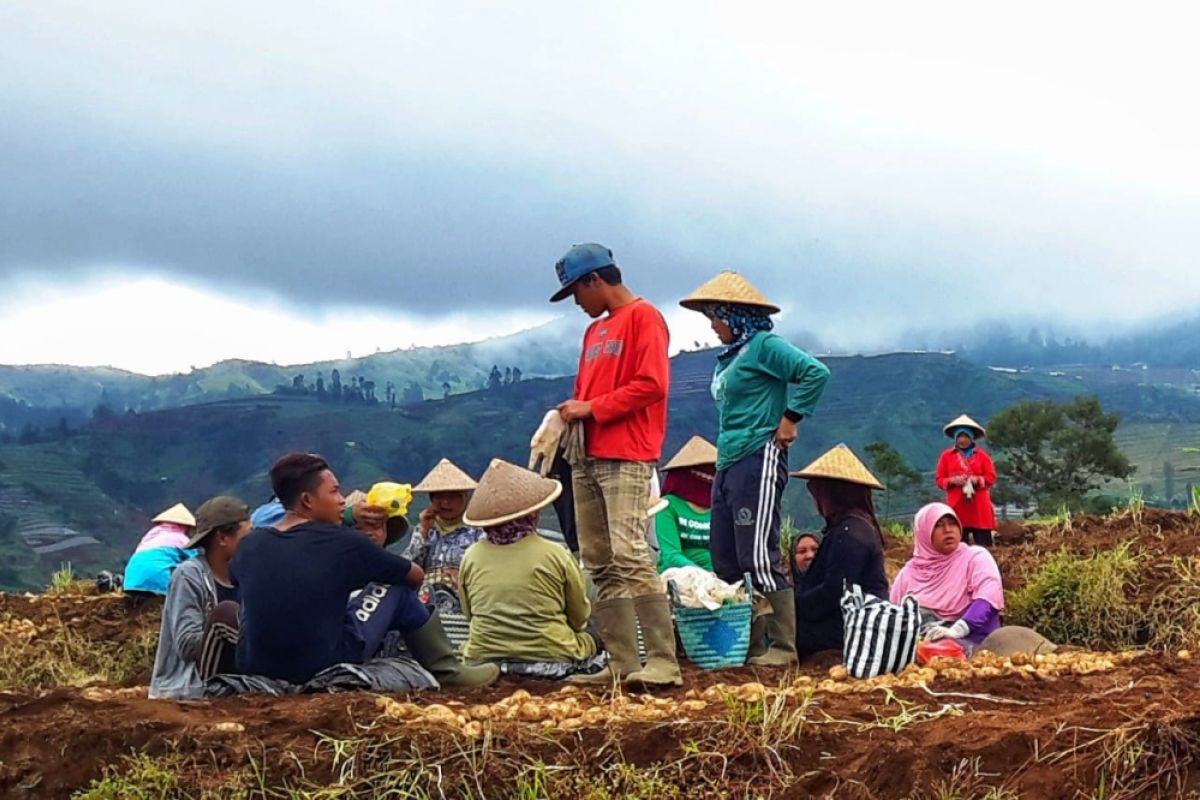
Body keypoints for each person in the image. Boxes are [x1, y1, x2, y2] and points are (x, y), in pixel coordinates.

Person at [231, 452, 498, 687]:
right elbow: (415, 576)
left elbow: (242, 578)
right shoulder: (343, 543)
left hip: (256, 667)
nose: (342, 501)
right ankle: (447, 670)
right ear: (307, 500)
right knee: (396, 586)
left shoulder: (250, 544)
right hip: (323, 666)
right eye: (335, 492)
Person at [680, 270, 831, 666]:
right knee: (726, 556)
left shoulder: (764, 346)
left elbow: (815, 372)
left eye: (716, 317)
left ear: (734, 315)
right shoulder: (732, 356)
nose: (713, 326)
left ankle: (782, 647)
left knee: (758, 555)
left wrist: (790, 418)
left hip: (758, 454)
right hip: (728, 458)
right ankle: (752, 639)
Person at [549, 242, 680, 686]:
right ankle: (622, 661)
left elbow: (652, 384)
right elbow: (587, 392)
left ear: (595, 280)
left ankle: (663, 659)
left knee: (629, 551)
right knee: (599, 558)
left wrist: (592, 408)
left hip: (626, 450)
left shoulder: (644, 318)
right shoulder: (595, 333)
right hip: (587, 453)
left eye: (577, 293)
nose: (578, 304)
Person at [458, 459, 600, 668]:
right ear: (533, 514)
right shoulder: (555, 553)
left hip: (483, 654)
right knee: (597, 633)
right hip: (554, 653)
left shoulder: (471, 556)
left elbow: (469, 614)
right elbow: (578, 618)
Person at [790, 444, 890, 659]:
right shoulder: (852, 528)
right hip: (856, 623)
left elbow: (835, 592)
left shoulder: (850, 533)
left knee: (781, 632)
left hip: (856, 629)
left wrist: (794, 607)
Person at [149, 496, 251, 700]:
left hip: (236, 681)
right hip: (188, 686)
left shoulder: (247, 574)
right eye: (248, 535)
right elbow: (187, 643)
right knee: (226, 614)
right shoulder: (189, 576)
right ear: (222, 538)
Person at [890, 502, 1003, 656]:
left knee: (931, 651)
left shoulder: (975, 557)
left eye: (952, 523)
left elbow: (988, 598)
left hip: (971, 638)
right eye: (939, 525)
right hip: (924, 639)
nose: (948, 530)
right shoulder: (908, 574)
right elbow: (894, 618)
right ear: (924, 533)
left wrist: (957, 630)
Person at [404, 458, 486, 614]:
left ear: (465, 497)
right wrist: (423, 531)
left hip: (465, 609)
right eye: (439, 497)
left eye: (452, 496)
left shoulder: (478, 532)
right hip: (426, 609)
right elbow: (408, 567)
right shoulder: (426, 530)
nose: (445, 503)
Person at [655, 435, 718, 573]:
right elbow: (670, 554)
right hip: (679, 575)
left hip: (719, 574)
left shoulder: (720, 508)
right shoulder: (667, 506)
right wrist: (701, 575)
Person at [935, 414, 997, 547]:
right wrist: (952, 481)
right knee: (958, 546)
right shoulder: (946, 456)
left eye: (966, 436)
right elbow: (939, 479)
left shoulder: (982, 456)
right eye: (960, 436)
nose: (962, 440)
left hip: (979, 507)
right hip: (957, 507)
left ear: (972, 437)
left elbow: (991, 477)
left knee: (984, 546)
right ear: (955, 438)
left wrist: (977, 480)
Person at [123, 503, 197, 596]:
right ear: (184, 526)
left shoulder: (149, 536)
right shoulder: (181, 538)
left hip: (130, 582)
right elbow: (198, 561)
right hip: (158, 583)